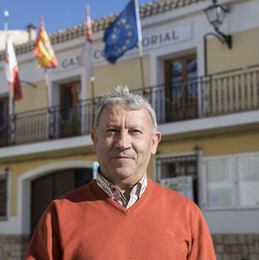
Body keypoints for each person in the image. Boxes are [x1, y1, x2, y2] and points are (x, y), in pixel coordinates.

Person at [25, 86, 216, 260]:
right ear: (94, 139)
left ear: (154, 142)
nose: (123, 143)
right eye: (111, 131)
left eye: (135, 131)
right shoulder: (59, 214)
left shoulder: (186, 214)